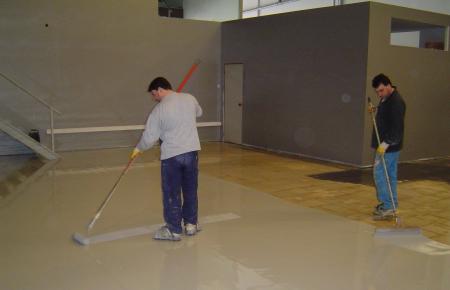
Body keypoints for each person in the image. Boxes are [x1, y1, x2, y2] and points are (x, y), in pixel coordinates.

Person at [130, 77, 202, 241]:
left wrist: (138, 149)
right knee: (190, 190)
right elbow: (199, 112)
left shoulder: (159, 110)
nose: (155, 98)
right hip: (191, 153)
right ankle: (191, 225)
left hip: (172, 156)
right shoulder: (190, 98)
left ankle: (174, 229)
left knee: (172, 193)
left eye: (154, 94)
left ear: (160, 89)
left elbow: (149, 138)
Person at [370, 74, 406, 219]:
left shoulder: (396, 102)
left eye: (381, 90)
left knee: (379, 175)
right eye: (377, 92)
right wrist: (376, 109)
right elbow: (386, 114)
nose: (379, 94)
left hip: (388, 146)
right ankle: (391, 204)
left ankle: (387, 206)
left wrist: (385, 144)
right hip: (388, 145)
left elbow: (397, 128)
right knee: (389, 176)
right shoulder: (387, 97)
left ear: (389, 85)